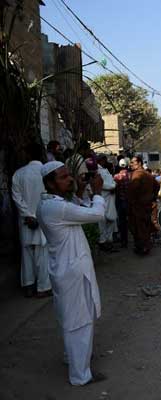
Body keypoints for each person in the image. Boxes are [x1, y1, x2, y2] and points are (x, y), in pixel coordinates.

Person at [36, 161, 106, 386]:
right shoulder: (57, 208)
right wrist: (96, 193)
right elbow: (95, 214)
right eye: (63, 177)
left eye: (69, 175)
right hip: (73, 272)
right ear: (49, 183)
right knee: (80, 321)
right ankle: (80, 375)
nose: (70, 179)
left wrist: (78, 194)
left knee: (71, 318)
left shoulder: (51, 204)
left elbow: (80, 210)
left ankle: (73, 358)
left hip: (66, 269)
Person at [12, 143, 52, 298]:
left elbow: (17, 197)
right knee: (43, 255)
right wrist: (37, 216)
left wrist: (27, 215)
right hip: (43, 217)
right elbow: (49, 195)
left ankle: (29, 285)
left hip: (26, 220)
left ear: (27, 155)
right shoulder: (46, 172)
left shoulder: (18, 174)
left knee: (27, 254)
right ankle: (43, 287)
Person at [128, 156, 158, 255]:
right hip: (147, 204)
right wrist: (152, 197)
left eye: (133, 162)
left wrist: (131, 201)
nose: (131, 164)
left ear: (139, 163)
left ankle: (142, 247)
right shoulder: (148, 174)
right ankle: (145, 246)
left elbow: (133, 190)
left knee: (139, 227)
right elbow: (157, 186)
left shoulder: (137, 174)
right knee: (145, 225)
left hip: (138, 205)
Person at [96, 155, 117, 252]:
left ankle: (109, 240)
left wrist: (114, 186)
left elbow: (111, 181)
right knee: (103, 221)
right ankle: (103, 241)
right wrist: (112, 187)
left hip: (109, 198)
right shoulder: (97, 170)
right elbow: (101, 184)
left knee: (111, 219)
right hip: (103, 197)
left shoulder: (104, 169)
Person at [113, 158, 130, 248]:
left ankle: (124, 242)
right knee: (131, 221)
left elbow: (114, 189)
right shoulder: (131, 175)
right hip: (130, 202)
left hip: (120, 202)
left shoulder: (116, 177)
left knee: (122, 222)